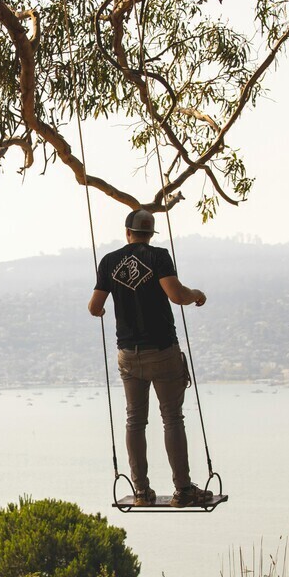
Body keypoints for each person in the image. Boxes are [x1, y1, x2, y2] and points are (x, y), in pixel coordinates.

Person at [88, 209, 213, 507]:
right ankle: (183, 490)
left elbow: (94, 306)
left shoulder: (108, 261)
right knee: (172, 418)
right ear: (150, 234)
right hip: (162, 351)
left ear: (127, 232)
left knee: (135, 420)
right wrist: (197, 293)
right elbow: (176, 295)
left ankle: (141, 492)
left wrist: (104, 311)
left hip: (128, 355)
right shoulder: (158, 257)